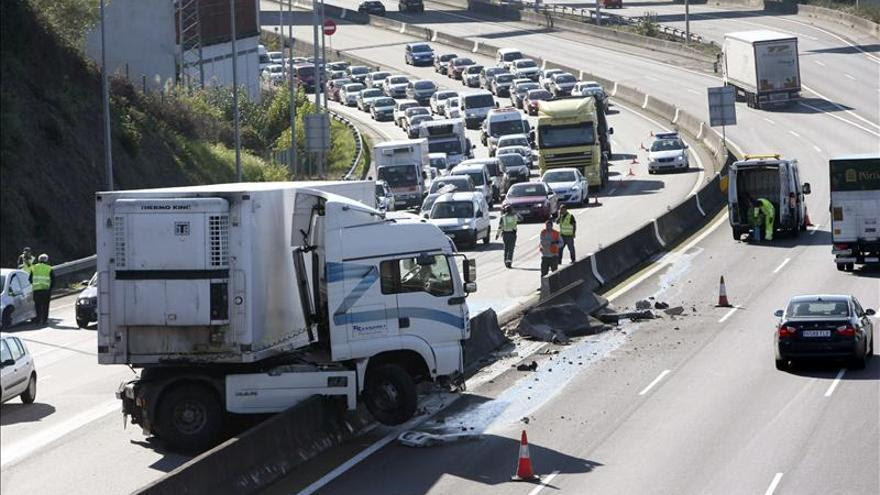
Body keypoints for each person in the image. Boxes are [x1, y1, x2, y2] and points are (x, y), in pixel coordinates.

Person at [29, 254, 54, 326]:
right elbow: (53, 280)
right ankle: (44, 320)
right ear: (46, 260)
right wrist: (50, 288)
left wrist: (34, 284)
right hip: (46, 290)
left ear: (39, 260)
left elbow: (30, 279)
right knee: (45, 305)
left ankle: (38, 320)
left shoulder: (34, 268)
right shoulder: (49, 268)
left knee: (37, 306)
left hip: (36, 290)